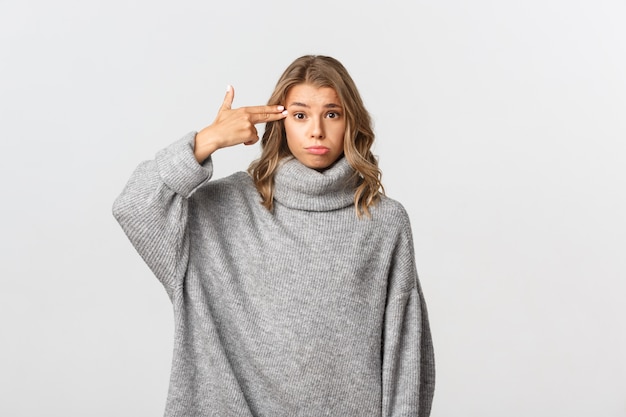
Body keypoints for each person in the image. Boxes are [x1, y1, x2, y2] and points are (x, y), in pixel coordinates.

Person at [113, 55, 435, 417]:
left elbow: (407, 359)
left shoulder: (383, 222)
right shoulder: (221, 210)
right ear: (281, 123)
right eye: (300, 115)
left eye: (332, 113)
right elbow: (134, 205)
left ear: (350, 122)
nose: (316, 130)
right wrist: (208, 139)